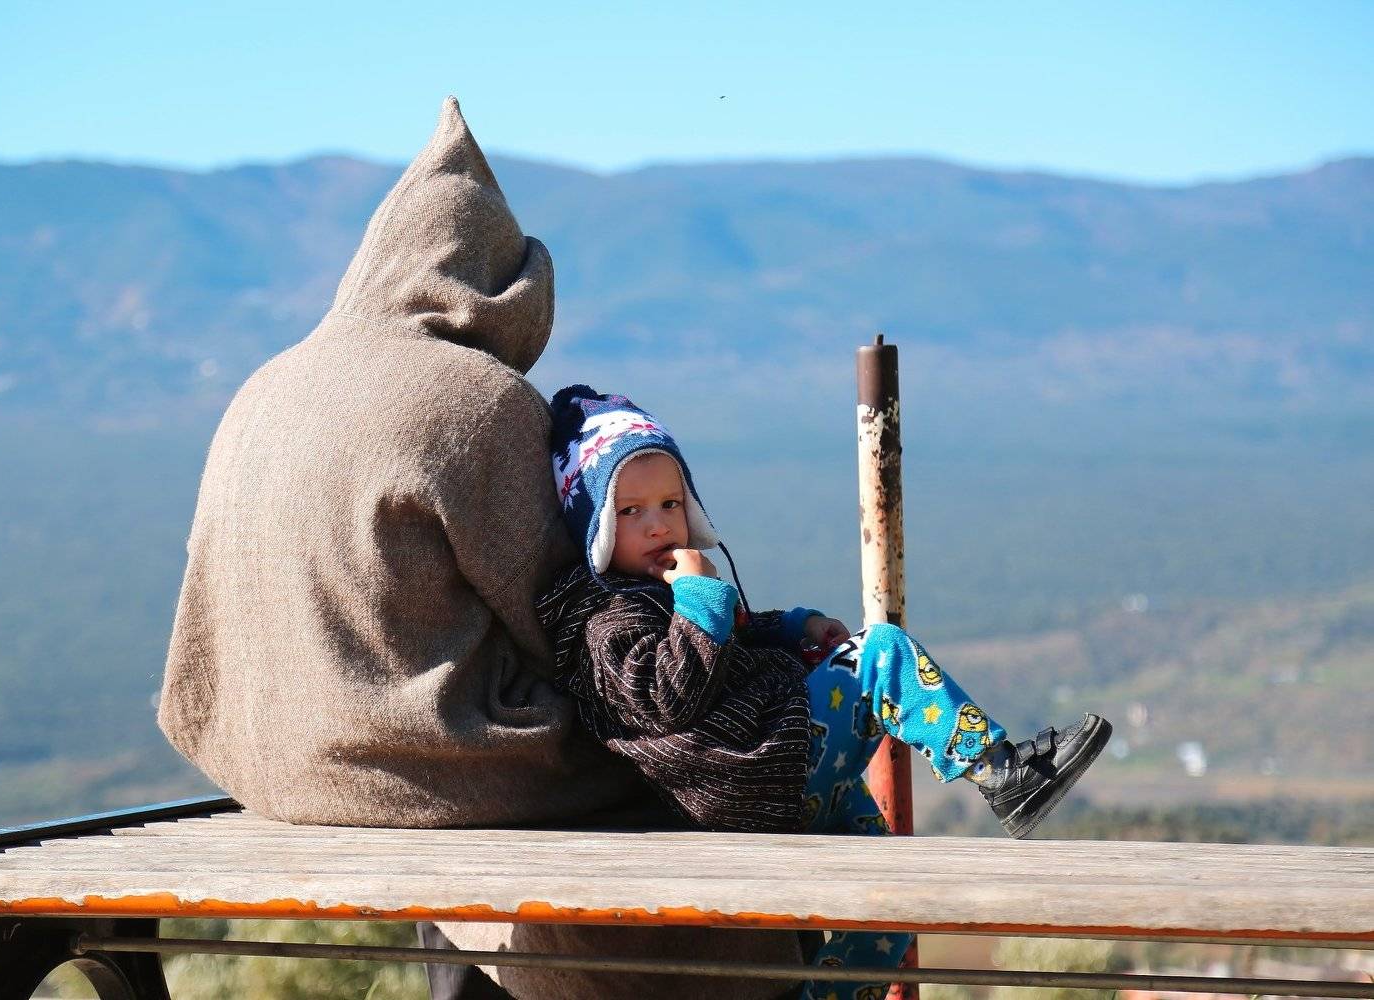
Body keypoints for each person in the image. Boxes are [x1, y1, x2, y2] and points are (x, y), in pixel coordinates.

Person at [156, 98, 812, 1000]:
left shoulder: (262, 387)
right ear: (508, 293)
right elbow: (566, 623)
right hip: (422, 771)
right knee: (704, 751)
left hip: (267, 765)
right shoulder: (475, 400)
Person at [539, 385, 1113, 1000]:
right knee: (882, 655)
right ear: (595, 525)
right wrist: (702, 598)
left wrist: (795, 627)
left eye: (670, 503)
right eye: (630, 511)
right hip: (758, 769)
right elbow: (665, 696)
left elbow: (732, 639)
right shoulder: (605, 620)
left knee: (891, 891)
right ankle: (1002, 773)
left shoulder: (656, 593)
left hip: (769, 774)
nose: (657, 524)